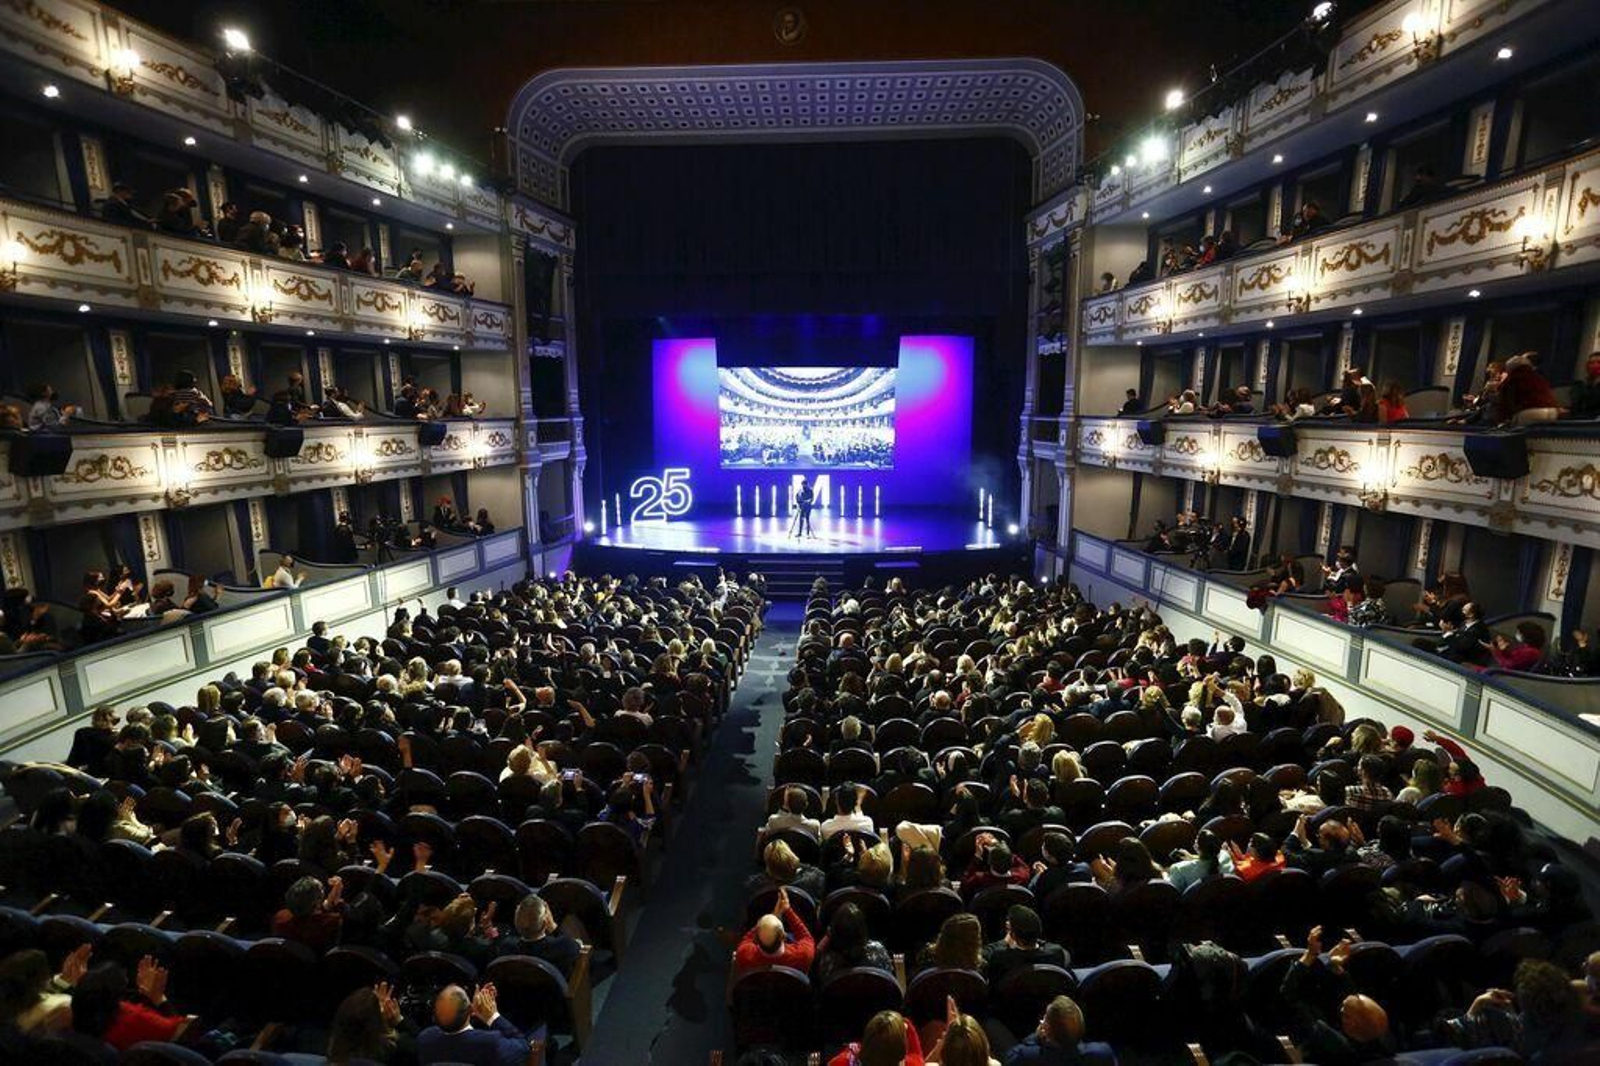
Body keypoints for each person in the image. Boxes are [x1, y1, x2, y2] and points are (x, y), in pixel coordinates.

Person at [416, 983, 536, 1066]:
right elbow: (523, 1046)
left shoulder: (424, 1039)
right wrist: (492, 1017)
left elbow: (457, 1039)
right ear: (470, 1010)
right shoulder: (489, 1042)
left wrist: (474, 1013)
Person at [1003, 995, 1117, 1065]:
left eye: (1044, 1018)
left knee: (991, 1024)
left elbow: (1008, 1059)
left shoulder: (1025, 1057)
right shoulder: (1103, 1054)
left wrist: (1035, 1037)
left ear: (1046, 1030)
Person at [732, 886, 815, 977]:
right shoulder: (803, 955)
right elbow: (806, 937)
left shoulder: (745, 955)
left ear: (757, 939)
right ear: (783, 936)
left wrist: (771, 916)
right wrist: (787, 910)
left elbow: (746, 939)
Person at [1496, 352, 1560, 424]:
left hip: (1528, 413)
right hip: (1552, 412)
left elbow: (1505, 403)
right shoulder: (1539, 377)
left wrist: (1501, 421)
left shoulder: (1512, 380)